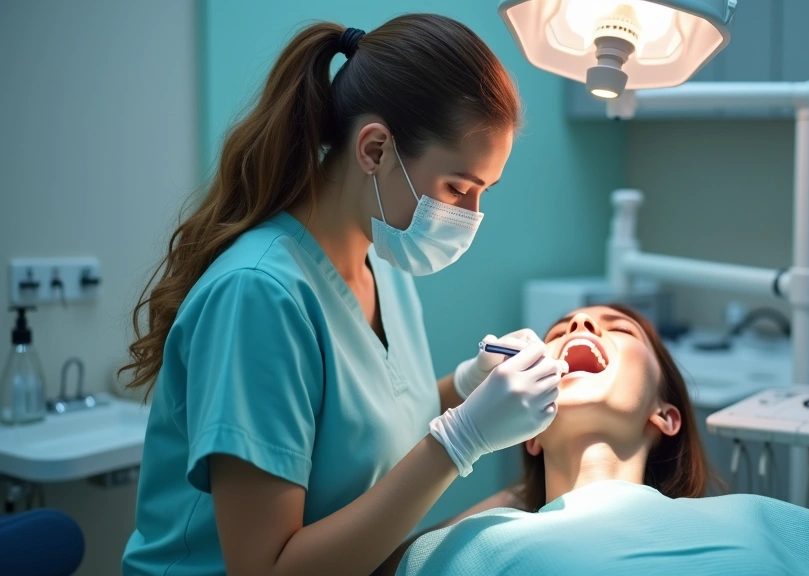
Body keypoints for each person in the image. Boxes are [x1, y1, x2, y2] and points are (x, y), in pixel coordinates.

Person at [120, 15, 564, 576]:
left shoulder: (383, 262)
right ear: (375, 150)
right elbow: (266, 568)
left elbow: (359, 424)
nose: (470, 218)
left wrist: (466, 388)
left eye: (483, 192)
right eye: (457, 188)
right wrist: (463, 438)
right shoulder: (258, 296)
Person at [396, 305, 809, 576]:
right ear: (530, 436)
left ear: (665, 416)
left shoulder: (756, 518)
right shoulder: (482, 542)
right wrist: (471, 440)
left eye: (619, 329)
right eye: (560, 332)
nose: (581, 327)